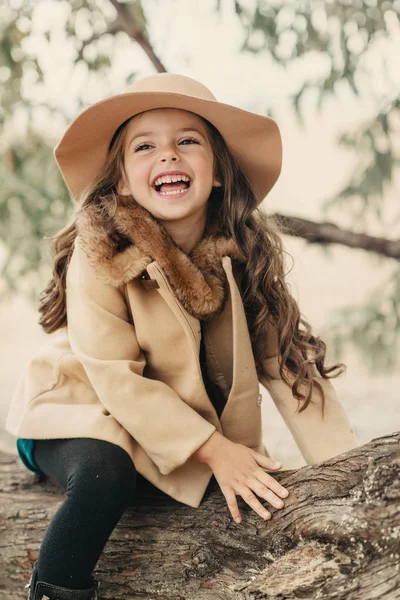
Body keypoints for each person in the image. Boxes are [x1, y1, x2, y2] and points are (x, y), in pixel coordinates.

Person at [5, 73, 359, 600]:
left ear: (217, 172)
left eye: (187, 141)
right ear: (122, 180)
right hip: (77, 407)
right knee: (107, 471)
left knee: (232, 497)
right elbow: (117, 381)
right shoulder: (100, 251)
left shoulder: (244, 257)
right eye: (144, 146)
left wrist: (349, 476)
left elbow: (289, 369)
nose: (167, 156)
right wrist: (216, 451)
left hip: (169, 430)